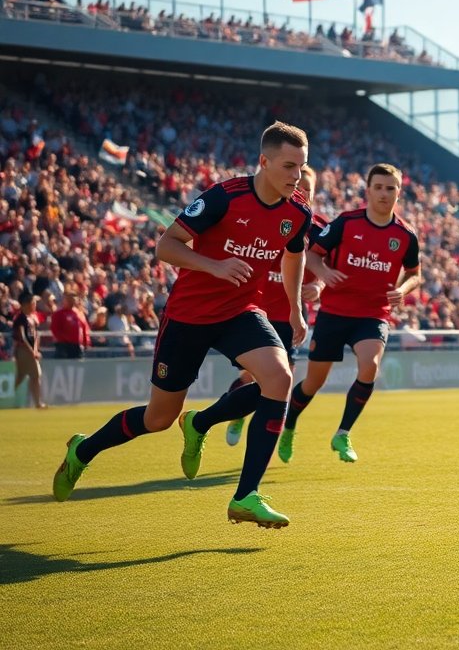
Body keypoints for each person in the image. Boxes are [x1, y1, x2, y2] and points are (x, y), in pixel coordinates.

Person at [51, 121, 313, 528]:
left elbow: (294, 255)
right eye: (288, 166)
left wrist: (295, 308)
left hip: (240, 312)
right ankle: (83, 451)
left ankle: (245, 496)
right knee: (158, 419)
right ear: (264, 162)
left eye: (301, 166)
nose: (296, 176)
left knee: (279, 378)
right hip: (189, 316)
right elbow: (166, 245)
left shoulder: (297, 212)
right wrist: (214, 265)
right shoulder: (224, 197)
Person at [283, 163, 422, 464]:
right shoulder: (346, 223)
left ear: (399, 192)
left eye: (390, 188)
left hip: (373, 315)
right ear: (368, 190)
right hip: (334, 312)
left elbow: (414, 273)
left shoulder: (405, 235)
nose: (384, 194)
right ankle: (289, 425)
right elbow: (312, 255)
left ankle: (343, 433)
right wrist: (323, 273)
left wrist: (404, 289)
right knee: (313, 383)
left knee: (370, 365)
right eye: (378, 187)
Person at [215, 166, 327, 448]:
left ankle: (264, 442)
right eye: (298, 187)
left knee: (282, 381)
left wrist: (318, 286)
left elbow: (327, 267)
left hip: (291, 316)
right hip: (259, 311)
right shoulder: (267, 215)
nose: (302, 192)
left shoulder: (319, 229)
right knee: (251, 377)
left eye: (308, 189)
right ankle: (235, 415)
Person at [12, 291, 46, 408]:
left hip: (30, 351)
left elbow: (35, 336)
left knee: (21, 376)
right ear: (26, 304)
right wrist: (32, 352)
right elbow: (22, 337)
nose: (35, 305)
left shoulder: (32, 318)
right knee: (35, 375)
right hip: (23, 351)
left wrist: (35, 350)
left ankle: (7, 395)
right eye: (33, 303)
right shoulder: (20, 318)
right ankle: (38, 403)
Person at [50, 290, 92, 360]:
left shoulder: (79, 313)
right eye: (69, 299)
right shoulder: (58, 314)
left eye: (73, 299)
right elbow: (55, 330)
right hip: (63, 347)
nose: (71, 301)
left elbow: (85, 329)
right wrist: (65, 340)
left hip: (78, 347)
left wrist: (86, 342)